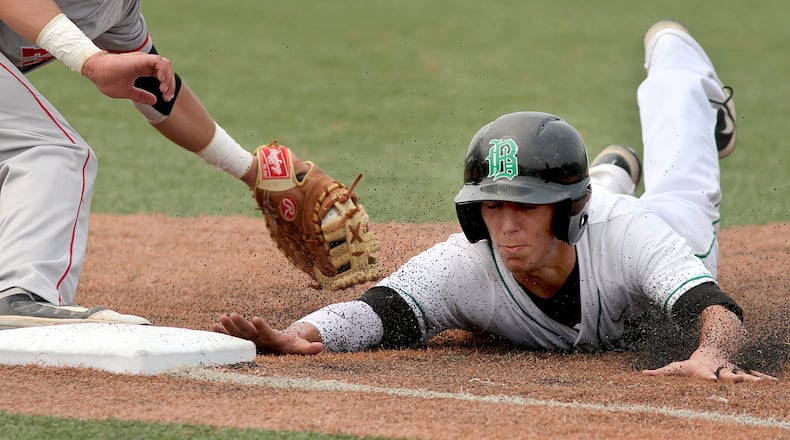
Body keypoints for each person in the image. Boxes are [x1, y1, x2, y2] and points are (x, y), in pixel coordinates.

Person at [213, 21, 776, 382]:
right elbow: (379, 312)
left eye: (526, 206)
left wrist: (712, 351)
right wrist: (300, 334)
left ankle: (676, 54)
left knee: (682, 169)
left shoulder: (630, 236)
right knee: (598, 198)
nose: (505, 225)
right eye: (493, 205)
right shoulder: (469, 265)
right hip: (591, 206)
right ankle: (608, 172)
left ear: (566, 210)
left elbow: (717, 309)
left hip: (659, 221)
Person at [0, 0, 258, 327]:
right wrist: (91, 60)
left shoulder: (117, 9)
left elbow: (158, 93)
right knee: (50, 151)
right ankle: (23, 293)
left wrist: (253, 173)